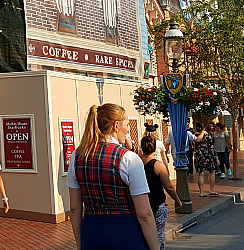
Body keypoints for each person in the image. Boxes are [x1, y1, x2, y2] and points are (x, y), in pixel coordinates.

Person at [67, 104, 158, 250]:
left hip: (92, 230)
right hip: (125, 231)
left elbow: (75, 208)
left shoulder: (77, 157)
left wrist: (80, 243)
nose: (128, 130)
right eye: (127, 125)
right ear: (116, 126)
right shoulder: (129, 158)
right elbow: (144, 214)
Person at [140, 136, 181, 250]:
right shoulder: (158, 165)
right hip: (157, 204)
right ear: (154, 148)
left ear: (141, 148)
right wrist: (177, 200)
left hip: (141, 205)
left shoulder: (136, 164)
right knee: (158, 236)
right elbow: (168, 186)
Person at [192, 122, 220, 197]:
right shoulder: (207, 136)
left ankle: (201, 192)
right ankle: (211, 190)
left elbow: (194, 146)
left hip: (199, 156)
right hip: (208, 155)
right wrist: (216, 158)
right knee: (212, 172)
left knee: (201, 174)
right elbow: (212, 147)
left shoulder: (194, 136)